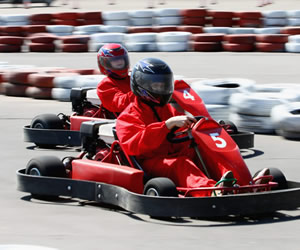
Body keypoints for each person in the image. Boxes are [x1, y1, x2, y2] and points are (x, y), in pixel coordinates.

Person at [116, 57, 262, 197]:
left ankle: (243, 184)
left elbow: (181, 132)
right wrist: (166, 125)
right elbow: (133, 146)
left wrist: (196, 127)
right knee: (182, 164)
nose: (161, 89)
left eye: (163, 85)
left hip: (175, 153)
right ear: (141, 86)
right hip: (152, 162)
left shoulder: (167, 109)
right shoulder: (128, 117)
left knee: (206, 152)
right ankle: (211, 191)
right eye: (156, 86)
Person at [96, 43, 135, 116]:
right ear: (105, 63)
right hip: (123, 118)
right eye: (115, 60)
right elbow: (119, 104)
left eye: (121, 59)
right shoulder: (105, 85)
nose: (119, 62)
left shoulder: (132, 80)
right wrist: (139, 92)